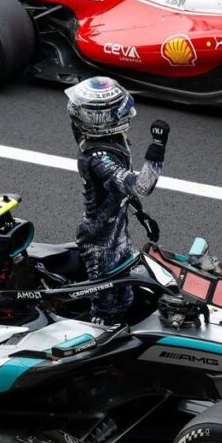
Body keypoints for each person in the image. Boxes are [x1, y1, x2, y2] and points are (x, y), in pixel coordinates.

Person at [66, 76, 169, 324]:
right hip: (101, 244)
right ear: (101, 119)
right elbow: (141, 186)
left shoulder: (111, 142)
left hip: (117, 233)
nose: (127, 114)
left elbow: (119, 192)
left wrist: (141, 215)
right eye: (119, 111)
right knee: (107, 307)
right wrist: (157, 148)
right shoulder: (99, 159)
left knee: (126, 295)